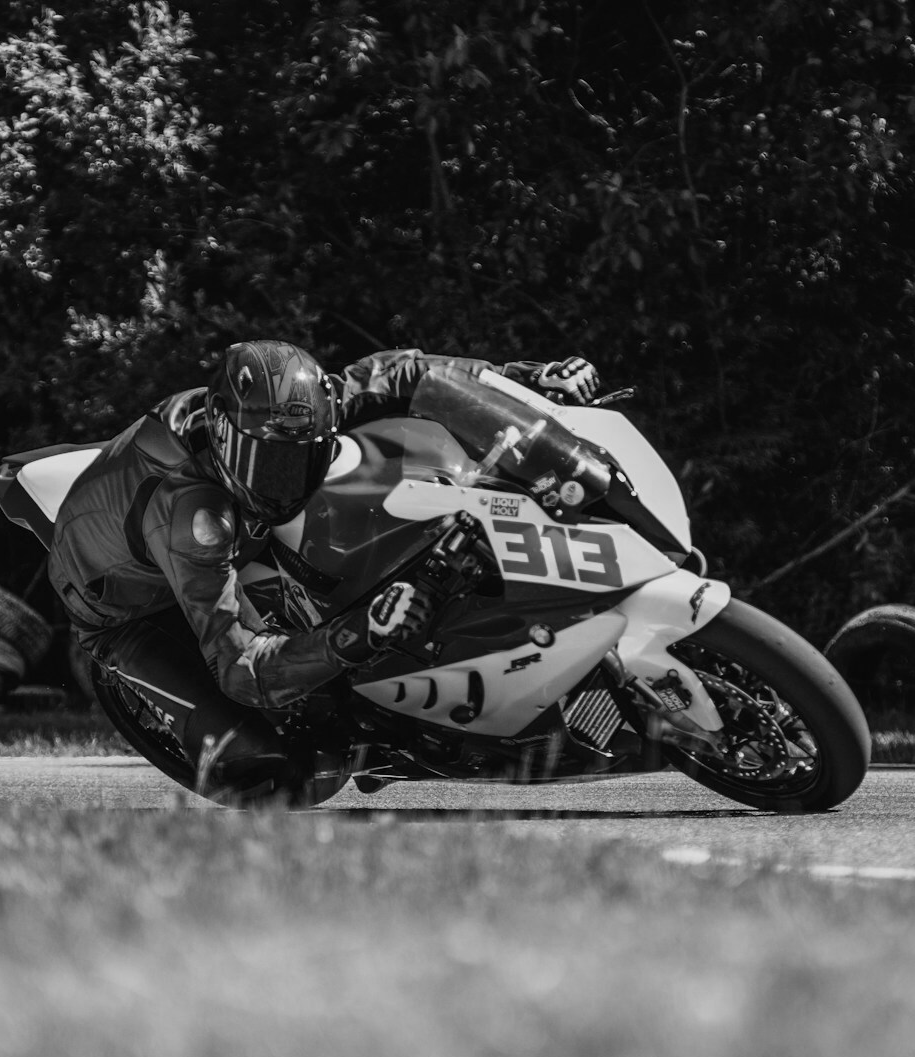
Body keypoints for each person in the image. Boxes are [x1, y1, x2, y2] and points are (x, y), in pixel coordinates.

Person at [47, 340, 600, 804]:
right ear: (222, 436)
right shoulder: (197, 521)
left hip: (231, 538)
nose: (282, 482)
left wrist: (524, 378)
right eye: (266, 463)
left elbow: (408, 373)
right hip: (131, 609)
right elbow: (243, 670)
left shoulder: (293, 409)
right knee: (278, 779)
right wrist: (362, 632)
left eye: (299, 459)